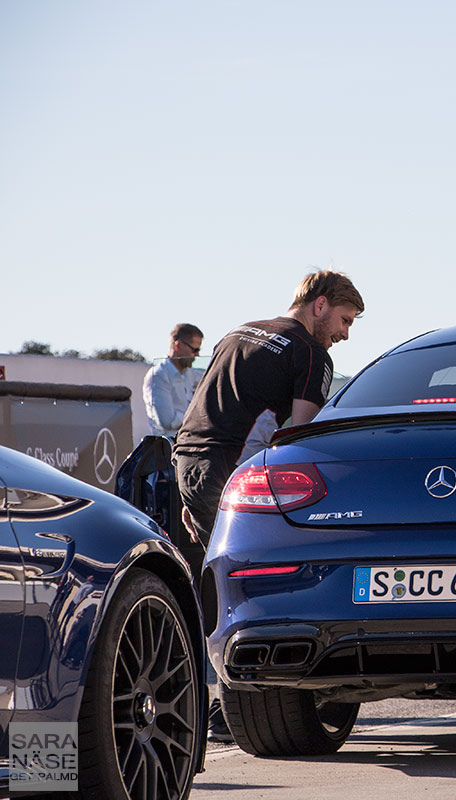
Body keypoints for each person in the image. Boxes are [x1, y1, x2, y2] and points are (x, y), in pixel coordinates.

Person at [173, 270, 364, 742]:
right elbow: (302, 437)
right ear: (319, 305)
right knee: (236, 592)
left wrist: (194, 490)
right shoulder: (310, 353)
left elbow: (202, 409)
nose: (345, 333)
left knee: (207, 583)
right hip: (231, 469)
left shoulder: (237, 332)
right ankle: (218, 710)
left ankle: (205, 703)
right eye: (345, 319)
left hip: (188, 461)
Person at [143, 323, 204, 437]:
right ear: (178, 345)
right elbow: (167, 421)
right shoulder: (158, 375)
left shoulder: (188, 373)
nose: (197, 355)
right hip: (166, 447)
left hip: (187, 443)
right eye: (194, 350)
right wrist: (199, 417)